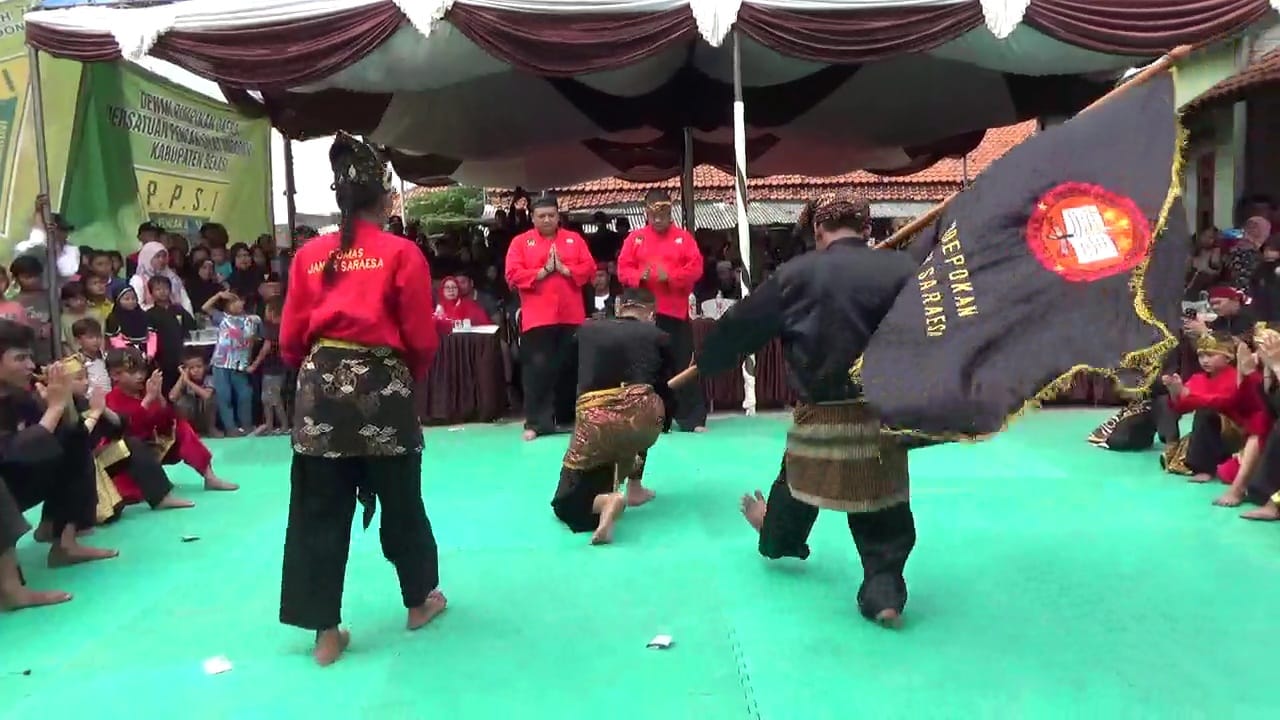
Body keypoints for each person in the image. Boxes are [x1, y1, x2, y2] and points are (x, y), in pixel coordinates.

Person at [689, 195, 920, 628]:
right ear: (867, 228)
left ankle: (777, 537)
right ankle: (885, 590)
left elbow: (740, 326)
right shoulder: (903, 269)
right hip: (883, 414)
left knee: (797, 483)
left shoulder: (794, 275)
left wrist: (709, 360)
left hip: (821, 413)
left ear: (817, 231)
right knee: (883, 508)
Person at [279, 132, 445, 667]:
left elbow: (290, 339)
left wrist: (317, 376)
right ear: (386, 199)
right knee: (402, 500)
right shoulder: (401, 252)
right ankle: (419, 603)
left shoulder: (309, 254)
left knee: (317, 510)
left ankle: (326, 634)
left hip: (321, 388)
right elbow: (420, 337)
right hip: (383, 387)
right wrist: (405, 379)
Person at [553, 288, 673, 544]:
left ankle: (606, 501)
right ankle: (635, 488)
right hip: (644, 418)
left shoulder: (586, 330)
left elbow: (565, 376)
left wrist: (566, 416)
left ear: (619, 308)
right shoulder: (658, 335)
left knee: (564, 502)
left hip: (596, 419)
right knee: (642, 407)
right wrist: (664, 422)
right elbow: (666, 388)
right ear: (651, 315)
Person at [0, 321, 117, 578]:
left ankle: (62, 539)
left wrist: (60, 403)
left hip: (13, 485)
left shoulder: (19, 395)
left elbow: (57, 437)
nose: (31, 366)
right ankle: (9, 585)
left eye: (30, 357)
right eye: (20, 358)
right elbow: (10, 453)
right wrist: (54, 408)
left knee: (73, 440)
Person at [504, 194, 596, 441]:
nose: (547, 220)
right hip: (537, 317)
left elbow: (590, 269)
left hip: (571, 315)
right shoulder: (520, 243)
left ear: (558, 217)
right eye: (541, 216)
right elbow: (512, 275)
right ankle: (537, 423)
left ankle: (568, 419)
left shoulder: (574, 240)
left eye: (551, 215)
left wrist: (566, 270)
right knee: (537, 371)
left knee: (570, 368)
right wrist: (543, 271)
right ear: (532, 218)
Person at [617, 189, 707, 432]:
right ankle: (645, 418)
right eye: (653, 215)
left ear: (670, 213)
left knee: (682, 364)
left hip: (675, 311)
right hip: (644, 315)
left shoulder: (684, 238)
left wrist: (672, 276)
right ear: (646, 213)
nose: (658, 219)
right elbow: (623, 270)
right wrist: (639, 276)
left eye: (663, 215)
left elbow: (696, 269)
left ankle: (692, 419)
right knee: (644, 366)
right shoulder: (635, 238)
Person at [104, 348, 237, 493]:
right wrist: (147, 401)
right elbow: (129, 430)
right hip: (129, 455)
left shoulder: (146, 390)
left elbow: (167, 422)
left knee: (181, 426)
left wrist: (159, 397)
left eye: (141, 371)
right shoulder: (111, 399)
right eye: (132, 372)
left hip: (153, 444)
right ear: (115, 375)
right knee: (132, 494)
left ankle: (210, 477)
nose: (140, 376)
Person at [202, 289, 261, 435]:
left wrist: (249, 361)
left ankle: (246, 426)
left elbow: (251, 342)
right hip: (220, 363)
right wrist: (218, 295)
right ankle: (231, 428)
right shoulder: (222, 318)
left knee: (245, 394)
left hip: (240, 364)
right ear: (227, 305)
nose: (237, 304)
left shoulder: (251, 320)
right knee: (224, 395)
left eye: (239, 301)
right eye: (233, 302)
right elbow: (205, 307)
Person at [144, 275, 197, 396]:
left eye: (165, 288)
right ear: (151, 293)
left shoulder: (179, 309)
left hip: (182, 355)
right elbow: (149, 338)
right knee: (166, 390)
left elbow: (192, 327)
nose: (162, 292)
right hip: (162, 359)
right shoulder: (149, 314)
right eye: (158, 289)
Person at [249, 298, 289, 435]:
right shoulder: (285, 327)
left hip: (273, 368)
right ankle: (270, 425)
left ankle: (282, 426)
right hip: (280, 366)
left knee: (272, 398)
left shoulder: (272, 329)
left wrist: (254, 365)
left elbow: (265, 349)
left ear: (272, 312)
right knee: (268, 398)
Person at [130, 241, 193, 313]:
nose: (162, 260)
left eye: (164, 256)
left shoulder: (172, 277)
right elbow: (136, 306)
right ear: (147, 258)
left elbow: (185, 302)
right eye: (157, 256)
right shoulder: (138, 280)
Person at [169, 348, 218, 437]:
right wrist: (183, 376)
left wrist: (188, 382)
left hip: (206, 417)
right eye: (191, 368)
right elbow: (172, 397)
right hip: (192, 417)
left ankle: (211, 429)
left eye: (199, 367)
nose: (196, 370)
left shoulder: (209, 378)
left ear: (205, 366)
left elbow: (207, 396)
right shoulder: (184, 379)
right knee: (182, 401)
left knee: (209, 400)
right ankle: (189, 431)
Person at [104, 286, 156, 358]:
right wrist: (129, 353)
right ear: (118, 301)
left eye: (133, 298)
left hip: (145, 353)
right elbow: (115, 340)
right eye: (126, 299)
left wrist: (150, 354)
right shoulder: (113, 318)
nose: (131, 301)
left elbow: (152, 335)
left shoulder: (144, 316)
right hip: (124, 356)